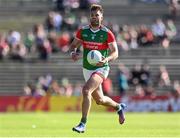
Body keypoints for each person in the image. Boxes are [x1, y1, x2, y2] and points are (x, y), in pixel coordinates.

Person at [69, 4, 126, 133]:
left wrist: (106, 59)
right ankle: (119, 107)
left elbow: (115, 52)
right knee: (100, 100)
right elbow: (73, 46)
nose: (94, 18)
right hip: (87, 69)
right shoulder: (83, 31)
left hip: (101, 68)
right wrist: (73, 53)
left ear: (102, 17)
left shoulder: (107, 33)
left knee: (86, 90)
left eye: (97, 15)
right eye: (92, 15)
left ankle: (83, 123)